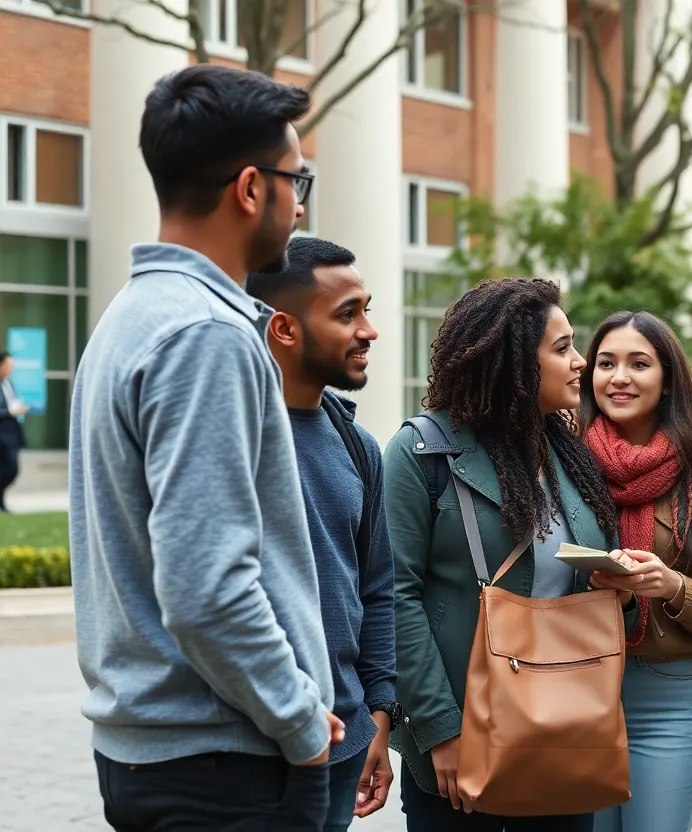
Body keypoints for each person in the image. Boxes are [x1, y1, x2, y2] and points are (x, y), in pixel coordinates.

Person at [68, 65, 342, 830]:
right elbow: (207, 587)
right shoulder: (208, 336)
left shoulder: (132, 317)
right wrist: (298, 718)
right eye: (298, 179)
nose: (299, 202)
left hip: (163, 756)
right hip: (225, 766)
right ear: (251, 188)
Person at [384, 277, 629, 832]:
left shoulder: (568, 454)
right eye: (562, 348)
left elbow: (581, 583)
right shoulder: (421, 452)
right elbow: (395, 596)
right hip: (462, 736)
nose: (581, 362)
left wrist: (623, 585)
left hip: (565, 734)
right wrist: (438, 727)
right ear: (514, 362)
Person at [245, 236, 398, 830]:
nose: (369, 330)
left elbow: (377, 588)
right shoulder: (236, 439)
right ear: (284, 328)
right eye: (347, 314)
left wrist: (377, 717)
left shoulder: (358, 447)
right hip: (255, 747)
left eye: (366, 309)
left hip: (345, 742)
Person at [579, 312, 692, 832]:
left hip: (667, 700)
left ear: (668, 378)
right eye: (606, 363)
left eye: (639, 363)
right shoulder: (563, 464)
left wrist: (672, 586)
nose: (619, 377)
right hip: (574, 690)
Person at [0, 352, 27, 512]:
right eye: (9, 365)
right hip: (1, 434)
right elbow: (7, 409)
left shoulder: (8, 384)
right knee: (6, 469)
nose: (11, 368)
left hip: (12, 433)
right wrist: (10, 411)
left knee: (12, 469)